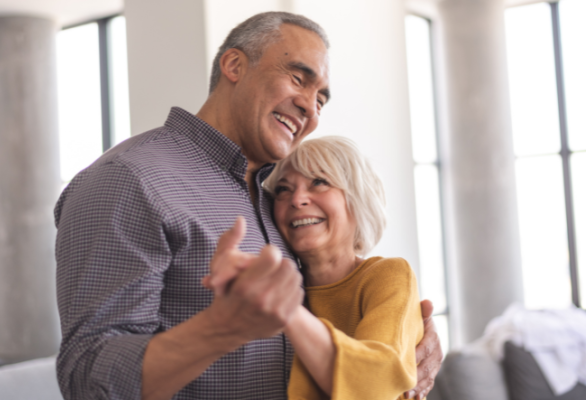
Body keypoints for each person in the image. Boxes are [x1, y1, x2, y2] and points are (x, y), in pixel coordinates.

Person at [54, 11, 442, 400]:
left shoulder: (279, 199)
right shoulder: (127, 179)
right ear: (235, 65)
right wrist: (220, 328)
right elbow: (88, 380)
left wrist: (409, 344)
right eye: (298, 78)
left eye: (320, 98)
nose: (310, 107)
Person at [208, 136, 424, 399]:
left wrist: (286, 310)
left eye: (319, 182)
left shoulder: (389, 275)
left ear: (358, 199)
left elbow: (374, 384)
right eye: (283, 190)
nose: (297, 200)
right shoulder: (286, 283)